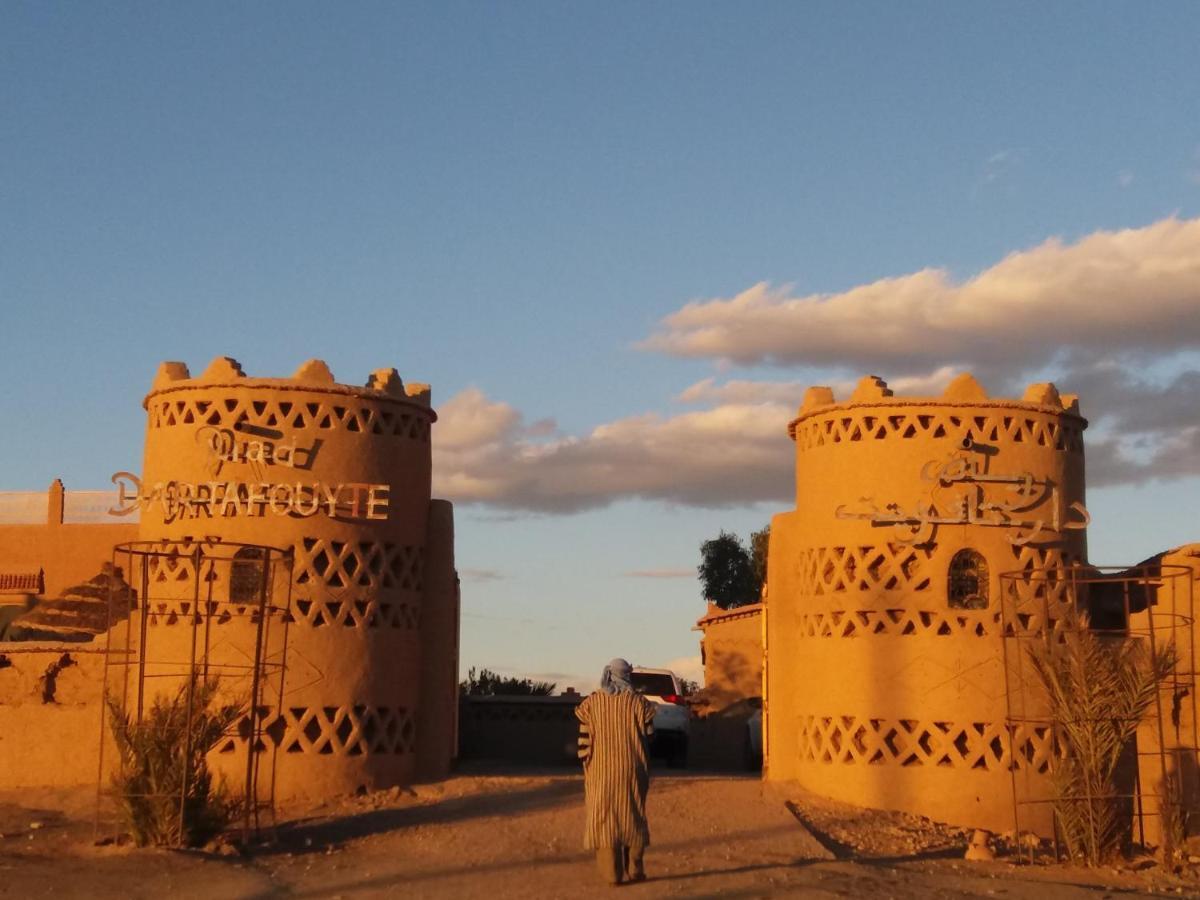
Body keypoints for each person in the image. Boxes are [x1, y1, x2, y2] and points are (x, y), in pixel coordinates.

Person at [576, 658, 655, 886]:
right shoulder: (639, 703)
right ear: (628, 675)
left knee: (605, 819)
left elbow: (583, 744)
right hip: (633, 770)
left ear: (608, 675)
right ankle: (635, 869)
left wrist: (589, 766)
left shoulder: (591, 703)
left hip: (600, 772)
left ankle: (612, 874)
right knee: (633, 816)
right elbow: (650, 737)